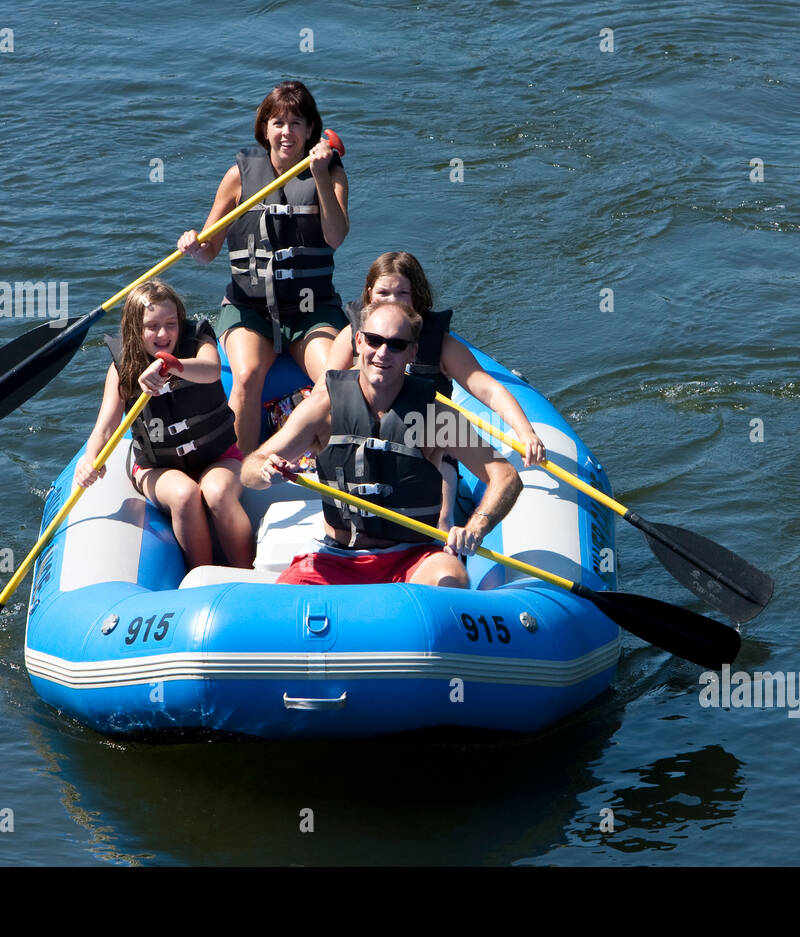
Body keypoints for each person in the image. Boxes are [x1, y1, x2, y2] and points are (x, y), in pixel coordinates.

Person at [242, 300, 523, 588]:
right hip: (337, 557)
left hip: (412, 557)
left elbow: (506, 477)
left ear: (412, 352)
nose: (383, 353)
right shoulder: (322, 409)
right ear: (359, 341)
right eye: (375, 341)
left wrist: (477, 526)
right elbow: (250, 468)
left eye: (397, 345)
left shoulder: (437, 417)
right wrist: (265, 470)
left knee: (451, 577)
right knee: (286, 596)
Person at [177, 80, 349, 457]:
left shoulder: (332, 174)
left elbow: (335, 237)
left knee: (335, 381)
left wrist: (319, 176)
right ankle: (242, 469)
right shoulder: (238, 176)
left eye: (297, 123)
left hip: (311, 310)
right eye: (278, 123)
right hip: (249, 309)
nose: (287, 132)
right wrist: (193, 246)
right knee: (248, 376)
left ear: (310, 131)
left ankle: (326, 464)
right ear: (265, 129)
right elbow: (209, 252)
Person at [76, 280, 255, 571]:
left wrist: (173, 365)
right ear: (136, 328)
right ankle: (201, 576)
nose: (163, 333)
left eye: (171, 323)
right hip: (157, 466)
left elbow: (211, 371)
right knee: (185, 495)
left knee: (217, 492)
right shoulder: (123, 367)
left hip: (218, 457)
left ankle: (247, 573)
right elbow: (105, 427)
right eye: (152, 326)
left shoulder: (198, 340)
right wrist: (90, 459)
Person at [324, 251, 547, 467]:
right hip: (365, 442)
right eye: (383, 293)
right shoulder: (352, 338)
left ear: (417, 296)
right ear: (370, 293)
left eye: (403, 293)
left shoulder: (442, 346)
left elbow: (489, 390)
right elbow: (323, 392)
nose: (392, 301)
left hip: (429, 450)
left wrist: (525, 432)